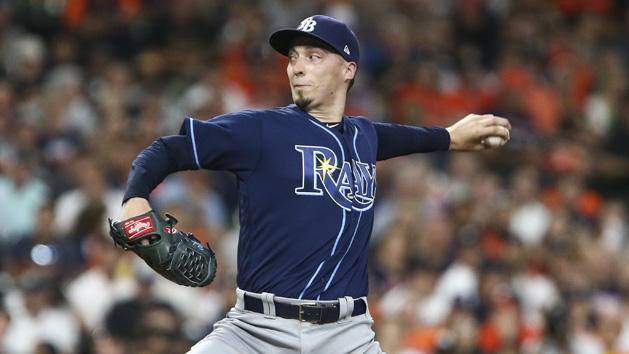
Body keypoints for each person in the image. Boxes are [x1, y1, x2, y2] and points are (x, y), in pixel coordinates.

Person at [115, 15, 511, 353]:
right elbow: (168, 149)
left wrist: (449, 137)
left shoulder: (364, 136)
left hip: (347, 334)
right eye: (293, 58)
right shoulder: (261, 130)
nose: (296, 67)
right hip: (256, 330)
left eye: (313, 57)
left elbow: (403, 138)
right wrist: (134, 198)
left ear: (348, 69)